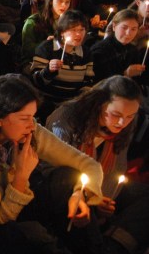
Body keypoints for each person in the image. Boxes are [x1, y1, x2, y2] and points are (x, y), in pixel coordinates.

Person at [0, 74, 104, 254]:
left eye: (32, 117)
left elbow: (89, 164)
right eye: (24, 118)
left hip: (13, 208)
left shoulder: (27, 130)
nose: (32, 125)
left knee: (67, 178)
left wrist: (80, 194)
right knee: (20, 236)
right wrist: (21, 175)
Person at [47, 76, 149, 254]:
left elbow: (118, 167)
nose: (122, 123)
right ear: (99, 103)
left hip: (101, 191)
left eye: (130, 116)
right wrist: (93, 201)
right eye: (116, 115)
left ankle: (115, 242)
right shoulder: (67, 119)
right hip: (68, 192)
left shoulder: (126, 124)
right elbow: (58, 173)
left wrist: (103, 200)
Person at [31, 10, 95, 116]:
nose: (78, 34)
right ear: (62, 31)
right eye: (73, 30)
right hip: (46, 105)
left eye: (82, 30)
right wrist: (49, 70)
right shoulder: (47, 48)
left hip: (72, 106)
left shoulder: (86, 53)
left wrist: (77, 102)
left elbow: (87, 82)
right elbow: (35, 81)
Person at [21, 0, 72, 66]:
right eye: (60, 1)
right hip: (37, 62)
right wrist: (46, 44)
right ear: (51, 1)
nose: (64, 5)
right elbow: (27, 49)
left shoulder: (69, 22)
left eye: (67, 2)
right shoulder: (34, 21)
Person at [91, 9, 145, 82]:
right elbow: (99, 81)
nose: (128, 33)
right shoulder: (100, 50)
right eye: (124, 27)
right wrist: (125, 74)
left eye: (133, 29)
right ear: (114, 26)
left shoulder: (133, 50)